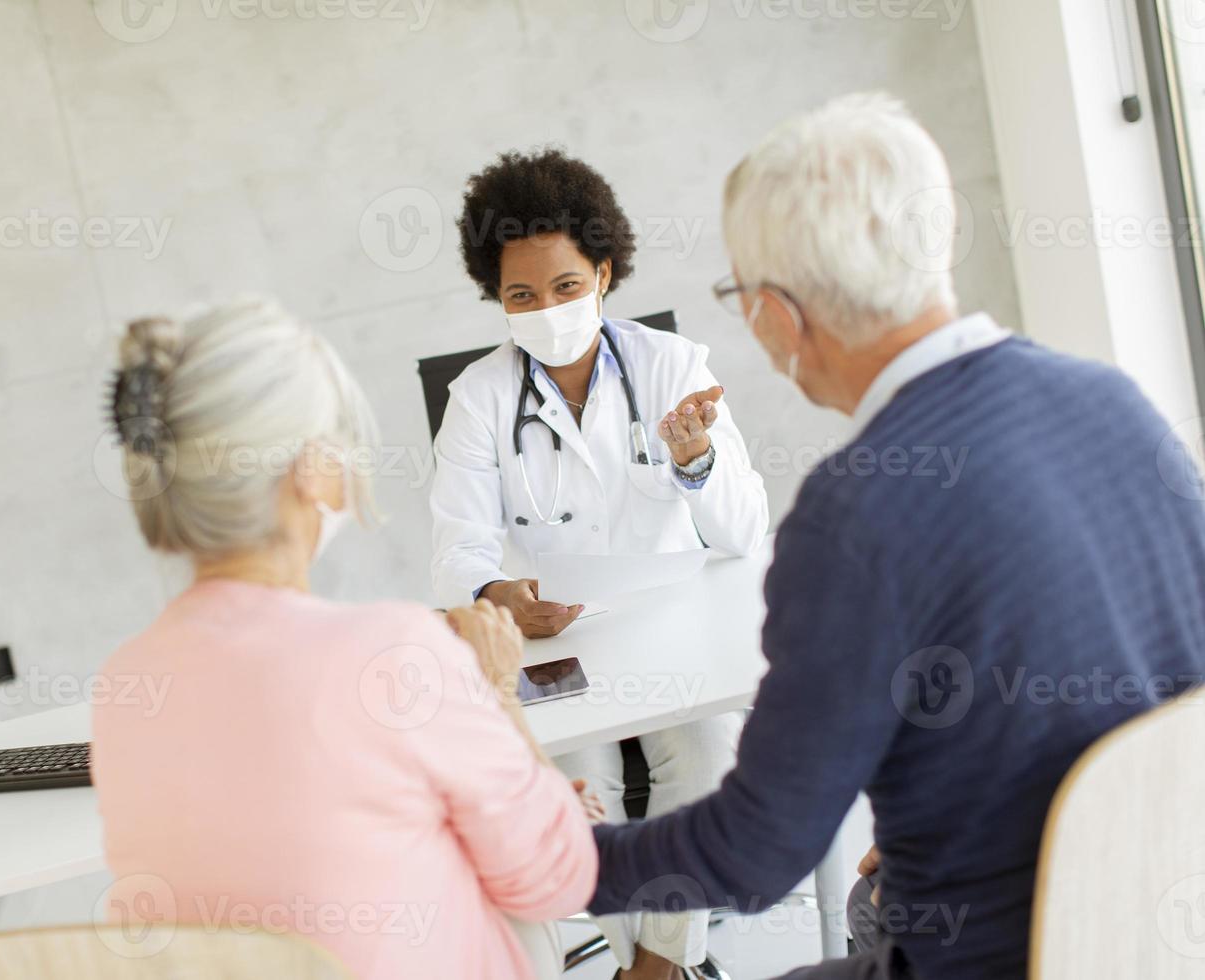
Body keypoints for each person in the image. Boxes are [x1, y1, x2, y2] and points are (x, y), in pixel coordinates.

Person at [587, 92, 1205, 980]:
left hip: (1011, 957)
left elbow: (758, 854)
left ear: (775, 315)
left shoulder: (854, 514)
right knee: (867, 902)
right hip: (1163, 933)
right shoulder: (1116, 403)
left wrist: (567, 856)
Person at [90, 298, 600, 980]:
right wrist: (497, 697)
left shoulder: (122, 687)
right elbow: (555, 881)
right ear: (310, 468)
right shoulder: (391, 652)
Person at [430, 148, 770, 980]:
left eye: (565, 287)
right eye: (521, 295)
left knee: (705, 761)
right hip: (559, 644)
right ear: (496, 298)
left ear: (605, 273)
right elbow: (457, 551)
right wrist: (494, 593)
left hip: (677, 629)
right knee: (571, 788)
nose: (545, 309)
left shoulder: (672, 369)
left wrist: (694, 463)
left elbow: (744, 535)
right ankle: (660, 965)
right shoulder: (479, 398)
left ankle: (649, 968)